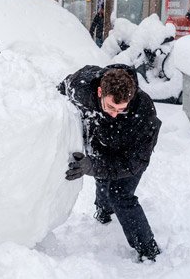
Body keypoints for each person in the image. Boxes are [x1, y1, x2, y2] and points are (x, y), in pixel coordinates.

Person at [58, 64, 162, 262]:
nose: (114, 113)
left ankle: (148, 249)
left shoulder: (143, 111)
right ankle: (103, 210)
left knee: (120, 194)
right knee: (103, 176)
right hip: (101, 142)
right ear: (99, 92)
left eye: (121, 109)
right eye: (110, 107)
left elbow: (134, 163)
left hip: (129, 153)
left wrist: (92, 166)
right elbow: (60, 91)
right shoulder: (82, 86)